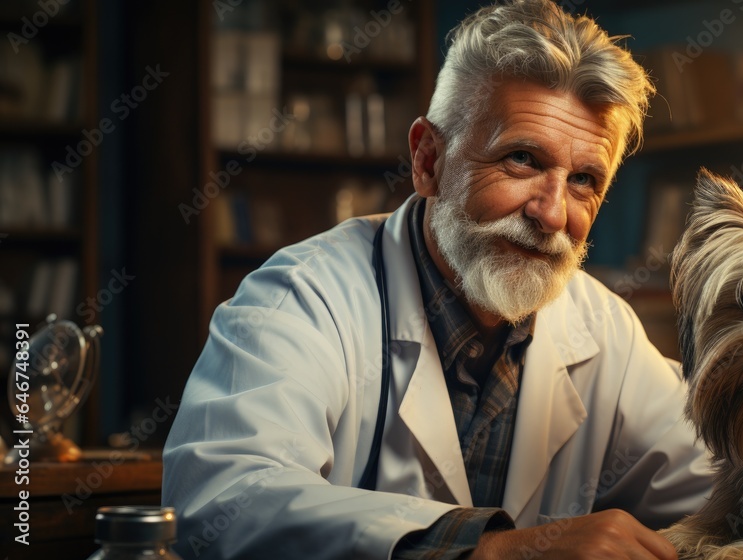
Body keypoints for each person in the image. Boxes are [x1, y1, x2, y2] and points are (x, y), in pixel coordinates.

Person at [162, 1, 714, 558]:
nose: (551, 214)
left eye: (584, 180)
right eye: (521, 159)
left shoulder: (604, 330)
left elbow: (734, 480)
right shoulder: (302, 299)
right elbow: (222, 500)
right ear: (428, 161)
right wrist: (496, 551)